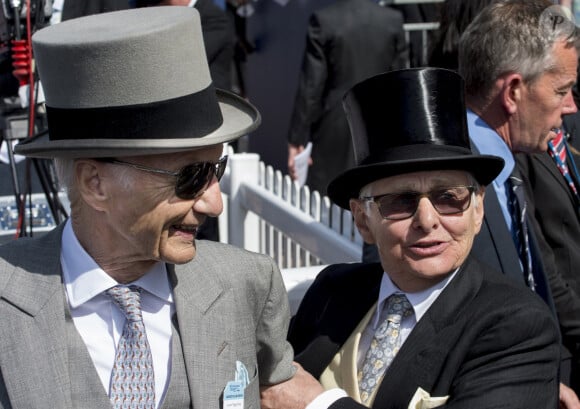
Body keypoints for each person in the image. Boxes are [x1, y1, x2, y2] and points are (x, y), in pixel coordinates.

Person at [0, 7, 295, 408]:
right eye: (190, 176)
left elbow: (281, 391)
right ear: (95, 183)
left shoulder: (248, 283)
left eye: (217, 169)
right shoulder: (7, 296)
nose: (215, 202)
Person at [261, 68, 561, 409]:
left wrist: (317, 404)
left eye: (449, 197)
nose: (427, 220)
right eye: (400, 201)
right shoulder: (333, 291)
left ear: (477, 210)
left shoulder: (517, 326)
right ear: (363, 220)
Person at [458, 0, 580, 401]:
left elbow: (539, 282)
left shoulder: (507, 168)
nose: (570, 106)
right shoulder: (445, 186)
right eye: (561, 90)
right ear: (512, 90)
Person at [286, 0, 407, 195]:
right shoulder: (392, 19)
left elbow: (311, 86)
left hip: (335, 126)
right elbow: (400, 82)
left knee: (330, 206)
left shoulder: (324, 21)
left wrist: (296, 139)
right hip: (381, 124)